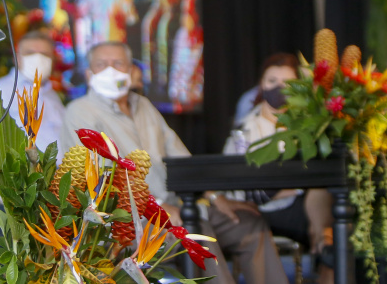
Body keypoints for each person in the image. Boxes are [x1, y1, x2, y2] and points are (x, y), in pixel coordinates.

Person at [58, 41, 287, 284]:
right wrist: (156, 209)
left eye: (118, 63)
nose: (110, 70)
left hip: (178, 204)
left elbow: (180, 158)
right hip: (128, 219)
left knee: (249, 225)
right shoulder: (80, 112)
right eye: (101, 65)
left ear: (131, 70)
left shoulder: (144, 106)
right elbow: (101, 181)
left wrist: (214, 196)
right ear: (88, 73)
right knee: (195, 231)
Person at [224, 53, 333, 284]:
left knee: (335, 209)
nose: (279, 88)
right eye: (272, 81)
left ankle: (326, 250)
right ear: (261, 84)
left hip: (300, 207)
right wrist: (295, 186)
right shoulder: (245, 129)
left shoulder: (310, 125)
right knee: (321, 202)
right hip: (258, 209)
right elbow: (240, 186)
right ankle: (323, 242)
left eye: (287, 83)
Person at [0, 30, 66, 152]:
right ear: (16, 57)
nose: (38, 58)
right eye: (30, 53)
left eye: (44, 54)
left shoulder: (52, 94)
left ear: (53, 59)